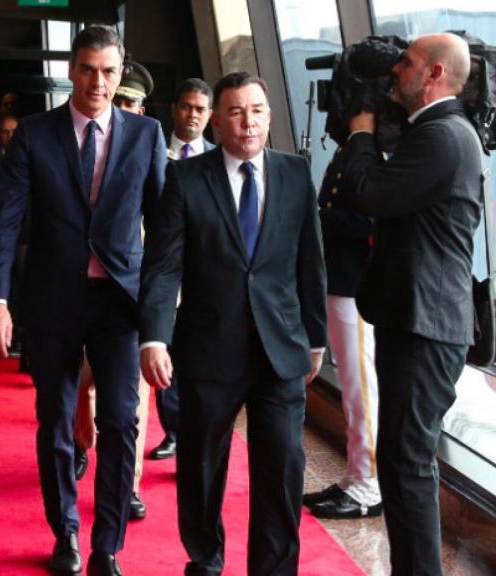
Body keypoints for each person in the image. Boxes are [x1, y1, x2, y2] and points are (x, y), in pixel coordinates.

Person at [0, 25, 166, 576]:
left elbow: (163, 232)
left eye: (109, 71)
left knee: (121, 420)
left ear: (121, 73)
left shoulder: (146, 134)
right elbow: (4, 223)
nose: (98, 82)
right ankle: (65, 531)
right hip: (53, 300)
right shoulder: (35, 135)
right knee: (56, 420)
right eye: (88, 69)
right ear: (71, 69)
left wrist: (160, 316)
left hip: (119, 303)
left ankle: (107, 544)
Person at [139, 71, 327, 575]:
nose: (249, 122)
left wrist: (316, 339)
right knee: (201, 467)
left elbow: (310, 261)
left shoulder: (294, 174)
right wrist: (154, 336)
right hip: (207, 347)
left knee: (283, 466)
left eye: (258, 110)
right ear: (217, 120)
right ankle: (205, 558)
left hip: (279, 349)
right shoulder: (185, 178)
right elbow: (162, 266)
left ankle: (273, 569)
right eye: (237, 112)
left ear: (269, 115)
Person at [335, 33, 481, 576]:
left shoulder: (443, 136)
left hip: (427, 327)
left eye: (409, 63)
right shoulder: (436, 133)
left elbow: (370, 192)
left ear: (436, 74)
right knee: (400, 463)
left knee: (409, 464)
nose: (397, 70)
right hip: (417, 321)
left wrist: (362, 134)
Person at [72, 58, 155, 523]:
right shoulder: (84, 142)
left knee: (129, 401)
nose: (119, 106)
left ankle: (130, 484)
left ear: (141, 109)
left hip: (128, 297)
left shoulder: (147, 147)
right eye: (117, 98)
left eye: (130, 102)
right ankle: (82, 441)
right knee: (81, 384)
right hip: (79, 291)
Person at [301, 146, 382, 519]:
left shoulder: (375, 150)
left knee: (361, 388)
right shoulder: (353, 148)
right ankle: (355, 476)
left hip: (357, 284)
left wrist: (318, 218)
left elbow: (370, 220)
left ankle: (368, 485)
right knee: (352, 388)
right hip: (338, 279)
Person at [147, 78, 217, 463]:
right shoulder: (153, 154)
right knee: (164, 351)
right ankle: (174, 431)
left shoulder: (216, 160)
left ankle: (196, 431)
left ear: (210, 116)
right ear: (174, 109)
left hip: (205, 276)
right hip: (163, 271)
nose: (192, 115)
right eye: (186, 106)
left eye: (200, 109)